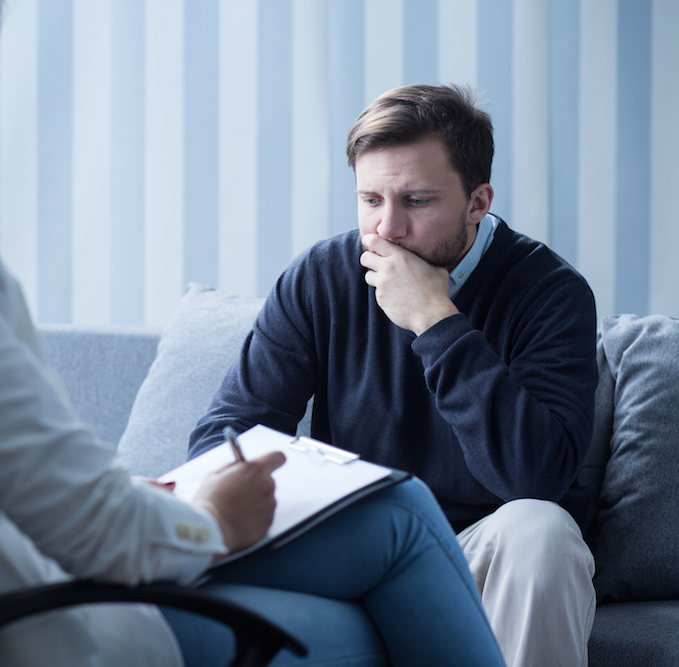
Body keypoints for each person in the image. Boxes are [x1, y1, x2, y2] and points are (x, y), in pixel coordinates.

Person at [0, 3, 506, 665]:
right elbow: (99, 531)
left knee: (381, 552)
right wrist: (212, 517)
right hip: (28, 627)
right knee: (399, 524)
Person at [189, 84, 599, 667]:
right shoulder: (322, 278)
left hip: (483, 553)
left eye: (417, 201)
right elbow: (223, 434)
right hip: (366, 545)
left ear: (478, 201)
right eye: (370, 200)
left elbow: (534, 477)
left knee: (542, 531)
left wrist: (436, 321)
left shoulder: (550, 293)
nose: (387, 229)